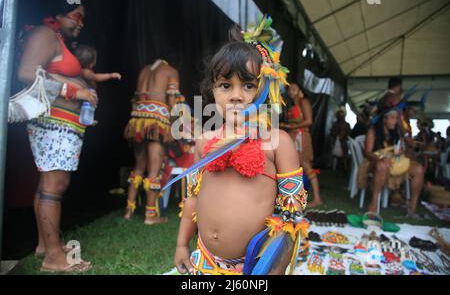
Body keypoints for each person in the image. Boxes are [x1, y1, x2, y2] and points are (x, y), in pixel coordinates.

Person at [174, 18, 309, 275]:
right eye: (226, 85)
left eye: (248, 85)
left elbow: (291, 217)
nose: (236, 95)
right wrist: (182, 244)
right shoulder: (204, 141)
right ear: (213, 91)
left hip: (252, 268)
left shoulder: (278, 142)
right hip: (204, 261)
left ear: (266, 89)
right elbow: (192, 198)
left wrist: (275, 267)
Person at [17, 2, 96, 272]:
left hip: (62, 122)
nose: (81, 23)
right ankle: (53, 257)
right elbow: (27, 73)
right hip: (52, 121)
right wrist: (75, 92)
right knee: (55, 185)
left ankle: (44, 245)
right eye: (77, 16)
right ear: (58, 14)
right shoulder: (45, 34)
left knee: (47, 183)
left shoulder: (57, 39)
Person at [123, 59, 180, 224]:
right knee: (154, 171)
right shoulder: (171, 71)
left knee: (138, 167)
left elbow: (137, 99)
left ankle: (129, 211)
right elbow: (172, 101)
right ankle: (150, 215)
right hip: (157, 122)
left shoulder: (144, 70)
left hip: (138, 121)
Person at [358, 107, 424, 218]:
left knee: (419, 168)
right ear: (384, 119)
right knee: (382, 166)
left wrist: (400, 152)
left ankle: (412, 209)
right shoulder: (373, 131)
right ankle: (373, 205)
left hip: (394, 162)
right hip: (374, 161)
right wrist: (381, 158)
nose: (395, 121)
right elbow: (368, 153)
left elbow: (402, 149)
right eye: (392, 118)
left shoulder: (396, 132)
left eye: (397, 118)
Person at [281, 82, 323, 208]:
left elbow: (309, 121)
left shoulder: (304, 101)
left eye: (294, 89)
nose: (290, 91)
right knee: (295, 167)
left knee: (304, 165)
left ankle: (317, 198)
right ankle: (294, 197)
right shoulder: (294, 104)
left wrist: (289, 126)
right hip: (294, 136)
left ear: (301, 91)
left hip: (301, 137)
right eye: (290, 89)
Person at [330, 107, 351, 172]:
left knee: (344, 157)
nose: (340, 115)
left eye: (342, 113)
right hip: (336, 142)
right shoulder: (335, 124)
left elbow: (348, 133)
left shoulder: (347, 124)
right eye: (339, 113)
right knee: (336, 157)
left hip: (343, 142)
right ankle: (335, 169)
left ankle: (344, 170)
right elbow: (332, 133)